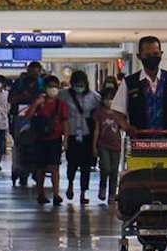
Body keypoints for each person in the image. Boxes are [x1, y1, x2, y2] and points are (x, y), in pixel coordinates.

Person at [111, 36, 167, 135]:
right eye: (147, 55)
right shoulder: (130, 82)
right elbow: (117, 110)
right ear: (139, 56)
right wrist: (126, 127)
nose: (152, 58)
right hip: (140, 143)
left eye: (155, 54)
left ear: (161, 54)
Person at [26, 75, 69, 206]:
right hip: (39, 139)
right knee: (41, 168)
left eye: (56, 87)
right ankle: (40, 193)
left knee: (54, 167)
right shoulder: (39, 102)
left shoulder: (61, 104)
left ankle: (56, 194)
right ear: (45, 88)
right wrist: (36, 104)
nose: (53, 89)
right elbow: (28, 116)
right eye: (51, 87)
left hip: (55, 139)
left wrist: (65, 139)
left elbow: (65, 122)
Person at [60, 71, 100, 205]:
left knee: (86, 165)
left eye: (82, 84)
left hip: (87, 134)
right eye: (77, 84)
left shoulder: (94, 97)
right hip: (71, 133)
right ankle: (70, 184)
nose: (79, 86)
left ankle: (84, 192)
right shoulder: (64, 95)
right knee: (71, 162)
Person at [9, 62, 45, 187]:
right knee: (21, 145)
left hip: (38, 118)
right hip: (21, 118)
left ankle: (36, 171)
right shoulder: (19, 83)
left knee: (38, 145)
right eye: (32, 72)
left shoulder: (43, 83)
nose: (35, 75)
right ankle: (22, 172)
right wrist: (22, 96)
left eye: (37, 72)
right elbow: (11, 99)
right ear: (28, 71)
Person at [92, 78, 124, 203]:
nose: (109, 101)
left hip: (116, 144)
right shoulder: (99, 113)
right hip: (103, 144)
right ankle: (103, 186)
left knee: (114, 170)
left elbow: (123, 127)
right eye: (107, 98)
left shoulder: (119, 113)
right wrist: (94, 146)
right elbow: (96, 129)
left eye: (112, 98)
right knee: (105, 167)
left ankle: (111, 194)